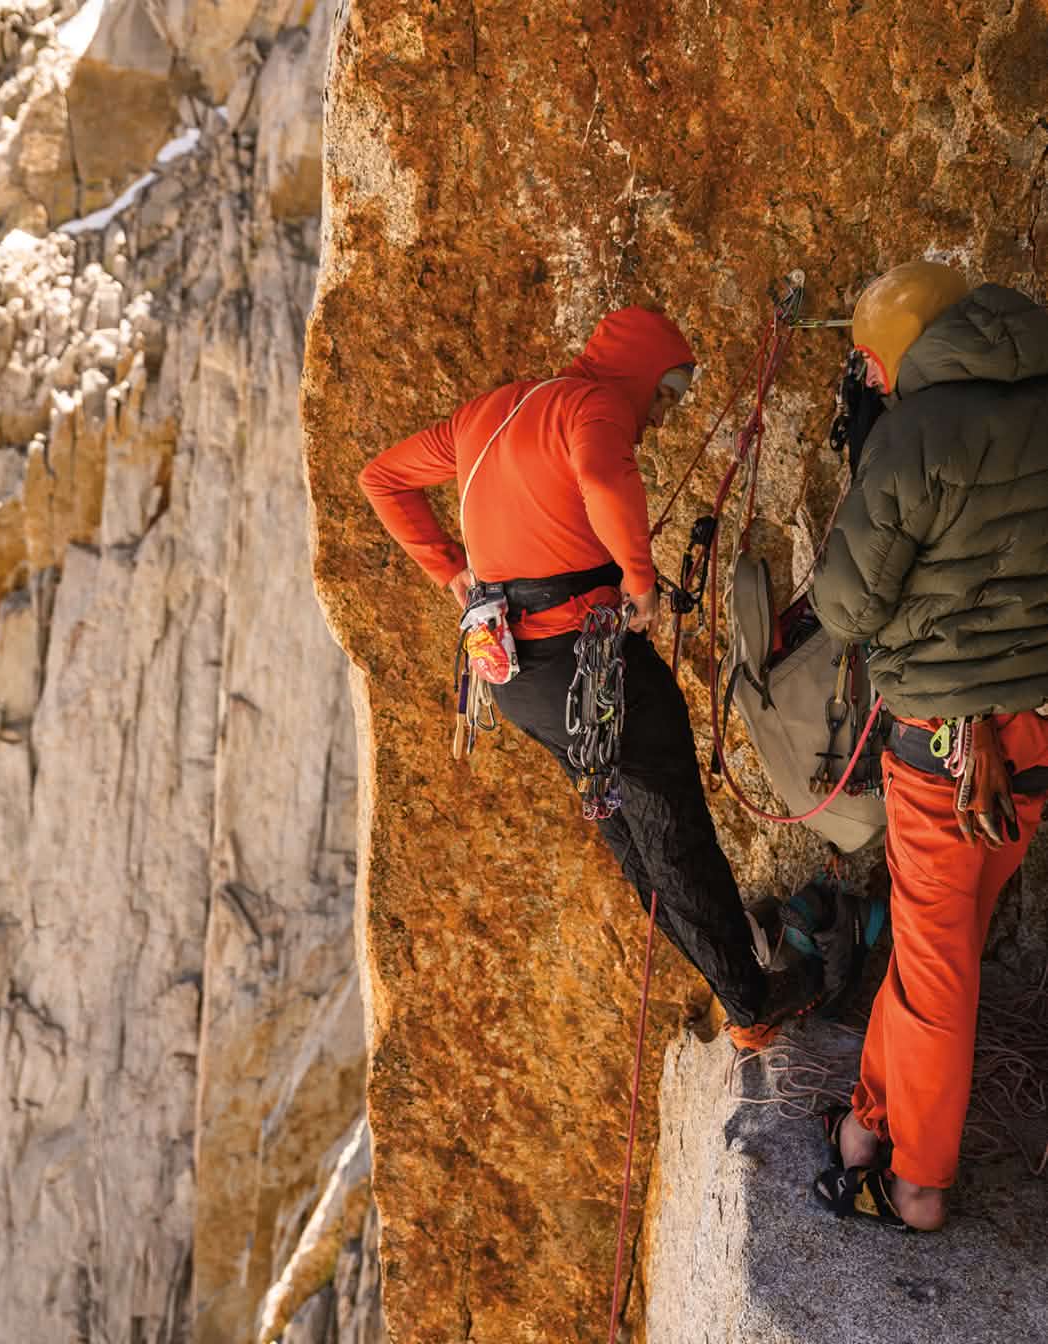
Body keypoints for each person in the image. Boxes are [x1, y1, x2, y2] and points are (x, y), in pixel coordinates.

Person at [359, 305, 809, 1045]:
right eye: (665, 397)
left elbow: (383, 478)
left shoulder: (490, 412)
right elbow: (601, 478)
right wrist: (640, 585)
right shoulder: (592, 405)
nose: (662, 420)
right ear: (638, 376)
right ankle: (753, 1001)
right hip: (587, 662)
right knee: (669, 824)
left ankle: (731, 970)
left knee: (627, 822)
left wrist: (451, 571)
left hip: (516, 674)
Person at [810, 261, 1048, 1230]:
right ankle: (872, 1124)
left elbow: (844, 601)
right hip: (1031, 737)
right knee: (931, 944)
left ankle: (918, 1185)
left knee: (940, 963)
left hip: (942, 746)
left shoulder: (913, 440)